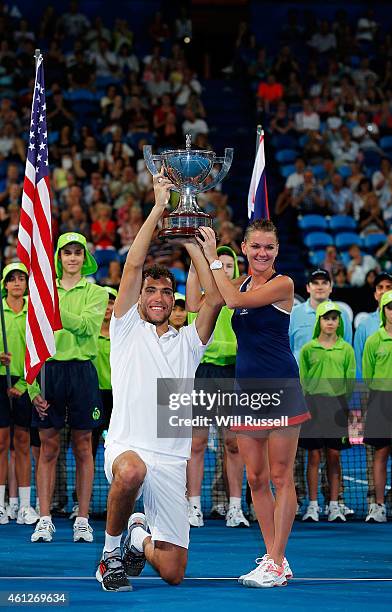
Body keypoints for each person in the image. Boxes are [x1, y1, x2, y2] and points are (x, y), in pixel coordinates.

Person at [96, 172, 222, 592]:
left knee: (172, 573)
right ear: (140, 296)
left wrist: (192, 245)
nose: (157, 298)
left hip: (171, 457)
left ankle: (137, 536)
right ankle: (110, 555)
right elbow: (133, 264)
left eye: (166, 293)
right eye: (151, 290)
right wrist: (158, 207)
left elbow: (216, 299)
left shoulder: (189, 342)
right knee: (130, 472)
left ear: (174, 301)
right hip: (128, 445)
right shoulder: (125, 327)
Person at [198, 219, 310, 588]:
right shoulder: (242, 282)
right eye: (256, 246)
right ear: (245, 248)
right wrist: (194, 250)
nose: (263, 253)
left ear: (277, 251)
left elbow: (233, 301)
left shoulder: (283, 284)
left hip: (280, 389)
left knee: (281, 476)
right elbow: (209, 297)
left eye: (270, 247)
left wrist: (214, 257)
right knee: (256, 479)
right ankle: (274, 556)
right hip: (246, 392)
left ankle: (276, 561)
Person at [29, 232, 108, 543]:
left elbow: (88, 326)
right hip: (49, 371)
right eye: (67, 253)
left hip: (83, 373)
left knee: (83, 447)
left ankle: (83, 519)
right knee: (47, 448)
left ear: (84, 257)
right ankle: (44, 518)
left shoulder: (98, 292)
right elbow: (31, 339)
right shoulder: (42, 293)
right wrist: (31, 385)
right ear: (59, 258)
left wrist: (51, 307)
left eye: (78, 252)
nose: (73, 257)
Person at [186, 246, 248, 528]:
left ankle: (235, 508)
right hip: (203, 373)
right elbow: (190, 298)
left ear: (236, 270)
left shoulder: (243, 300)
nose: (224, 268)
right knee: (196, 443)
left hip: (234, 374)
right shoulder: (203, 300)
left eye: (228, 265)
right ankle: (193, 506)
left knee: (233, 443)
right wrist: (194, 256)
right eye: (217, 264)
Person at [299, 302, 356, 523]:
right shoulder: (308, 349)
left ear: (338, 322)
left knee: (334, 456)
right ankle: (312, 505)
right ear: (319, 321)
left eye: (334, 318)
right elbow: (303, 380)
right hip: (312, 405)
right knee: (313, 456)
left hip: (337, 406)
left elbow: (349, 381)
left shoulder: (347, 349)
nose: (330, 322)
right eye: (326, 318)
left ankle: (333, 505)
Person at [363, 290, 392, 524]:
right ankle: (378, 506)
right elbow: (368, 376)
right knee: (380, 454)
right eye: (390, 308)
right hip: (380, 400)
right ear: (384, 311)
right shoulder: (374, 340)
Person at [0, 263, 40, 525]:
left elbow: (38, 351)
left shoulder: (33, 313)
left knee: (23, 443)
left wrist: (25, 385)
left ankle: (24, 505)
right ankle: (3, 506)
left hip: (27, 382)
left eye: (21, 278)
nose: (16, 283)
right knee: (2, 443)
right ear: (5, 284)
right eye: (11, 279)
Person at [289, 269, 352, 363]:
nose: (320, 287)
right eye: (315, 283)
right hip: (300, 375)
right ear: (308, 288)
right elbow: (287, 348)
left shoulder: (342, 313)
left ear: (330, 287)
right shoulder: (293, 314)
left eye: (324, 283)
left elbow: (347, 348)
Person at [91, 286, 118, 459]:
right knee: (89, 444)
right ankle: (84, 486)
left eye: (110, 303)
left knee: (117, 445)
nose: (106, 308)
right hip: (93, 396)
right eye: (102, 303)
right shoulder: (87, 334)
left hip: (118, 396)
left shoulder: (124, 335)